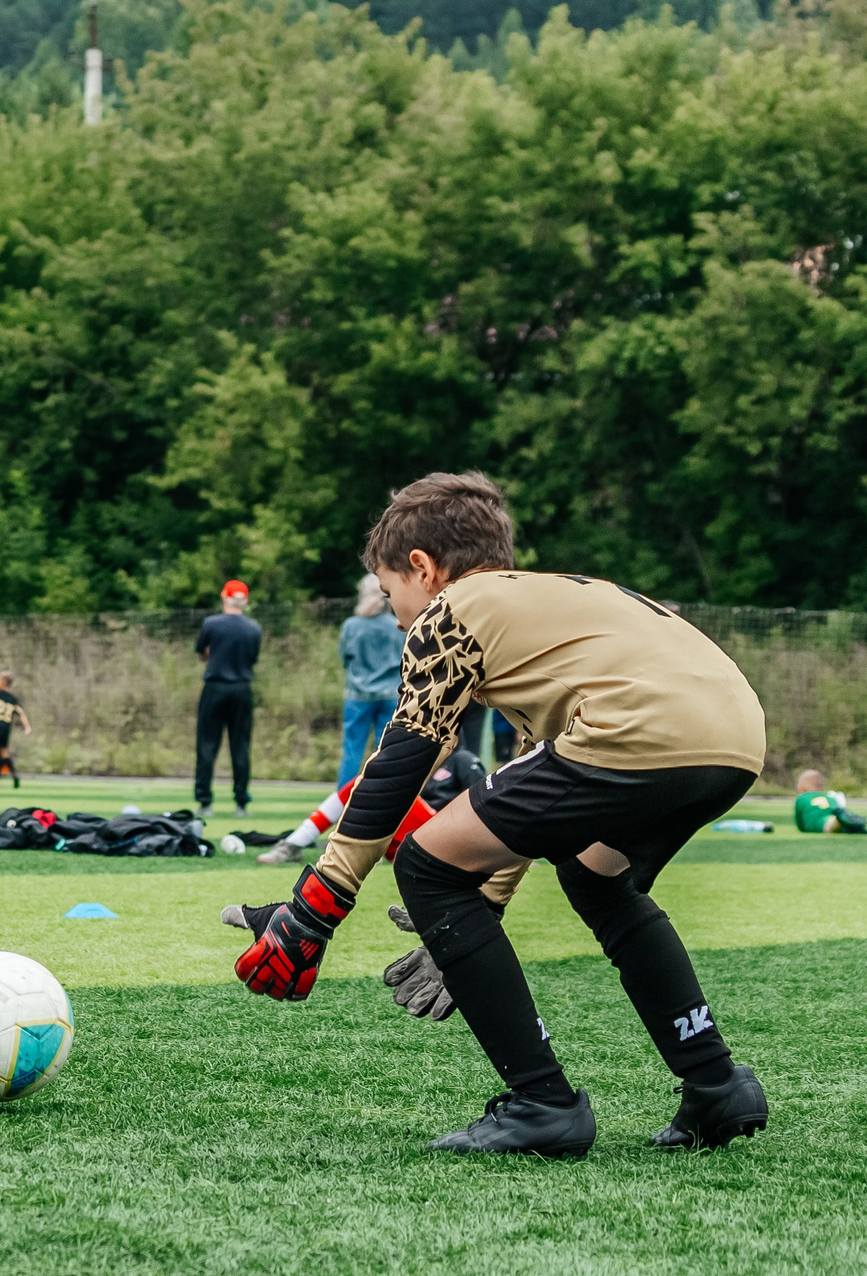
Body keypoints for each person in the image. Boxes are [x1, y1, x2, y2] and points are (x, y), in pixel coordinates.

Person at [226, 471, 771, 1157]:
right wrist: (479, 908)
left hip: (639, 728)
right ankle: (717, 1084)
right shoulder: (546, 608)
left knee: (425, 864)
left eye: (393, 590)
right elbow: (524, 808)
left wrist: (315, 910)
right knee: (596, 879)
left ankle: (543, 1102)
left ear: (422, 569)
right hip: (734, 737)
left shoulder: (451, 612)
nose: (397, 614)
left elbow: (403, 758)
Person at [254, 747, 483, 867]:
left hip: (438, 834)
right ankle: (312, 844)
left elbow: (479, 807)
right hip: (411, 842)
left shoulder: (463, 759)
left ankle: (295, 843)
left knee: (364, 781)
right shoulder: (425, 759)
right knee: (368, 788)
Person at [193, 580, 262, 817]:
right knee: (240, 746)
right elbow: (252, 659)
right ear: (245, 600)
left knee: (206, 745)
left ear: (224, 597)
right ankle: (241, 802)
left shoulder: (211, 623)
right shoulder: (254, 628)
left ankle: (204, 801)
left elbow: (202, 653)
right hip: (242, 689)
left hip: (215, 687)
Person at [337, 573, 402, 785]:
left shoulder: (351, 625)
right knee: (385, 752)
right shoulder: (397, 626)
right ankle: (380, 797)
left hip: (357, 695)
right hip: (390, 694)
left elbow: (345, 658)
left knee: (352, 749)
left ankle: (341, 802)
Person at [792, 769, 867, 833]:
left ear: (801, 786)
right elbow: (836, 808)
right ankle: (844, 821)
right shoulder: (829, 796)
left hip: (817, 820)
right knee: (832, 819)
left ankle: (841, 822)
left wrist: (803, 829)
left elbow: (799, 821)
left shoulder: (802, 798)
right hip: (831, 815)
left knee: (826, 825)